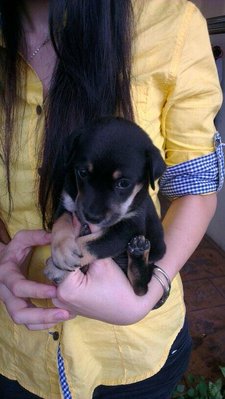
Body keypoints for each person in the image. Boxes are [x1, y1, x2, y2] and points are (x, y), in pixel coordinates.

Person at [0, 0, 224, 398]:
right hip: (15, 346)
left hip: (133, 357)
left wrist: (147, 293)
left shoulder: (169, 23)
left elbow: (197, 190)